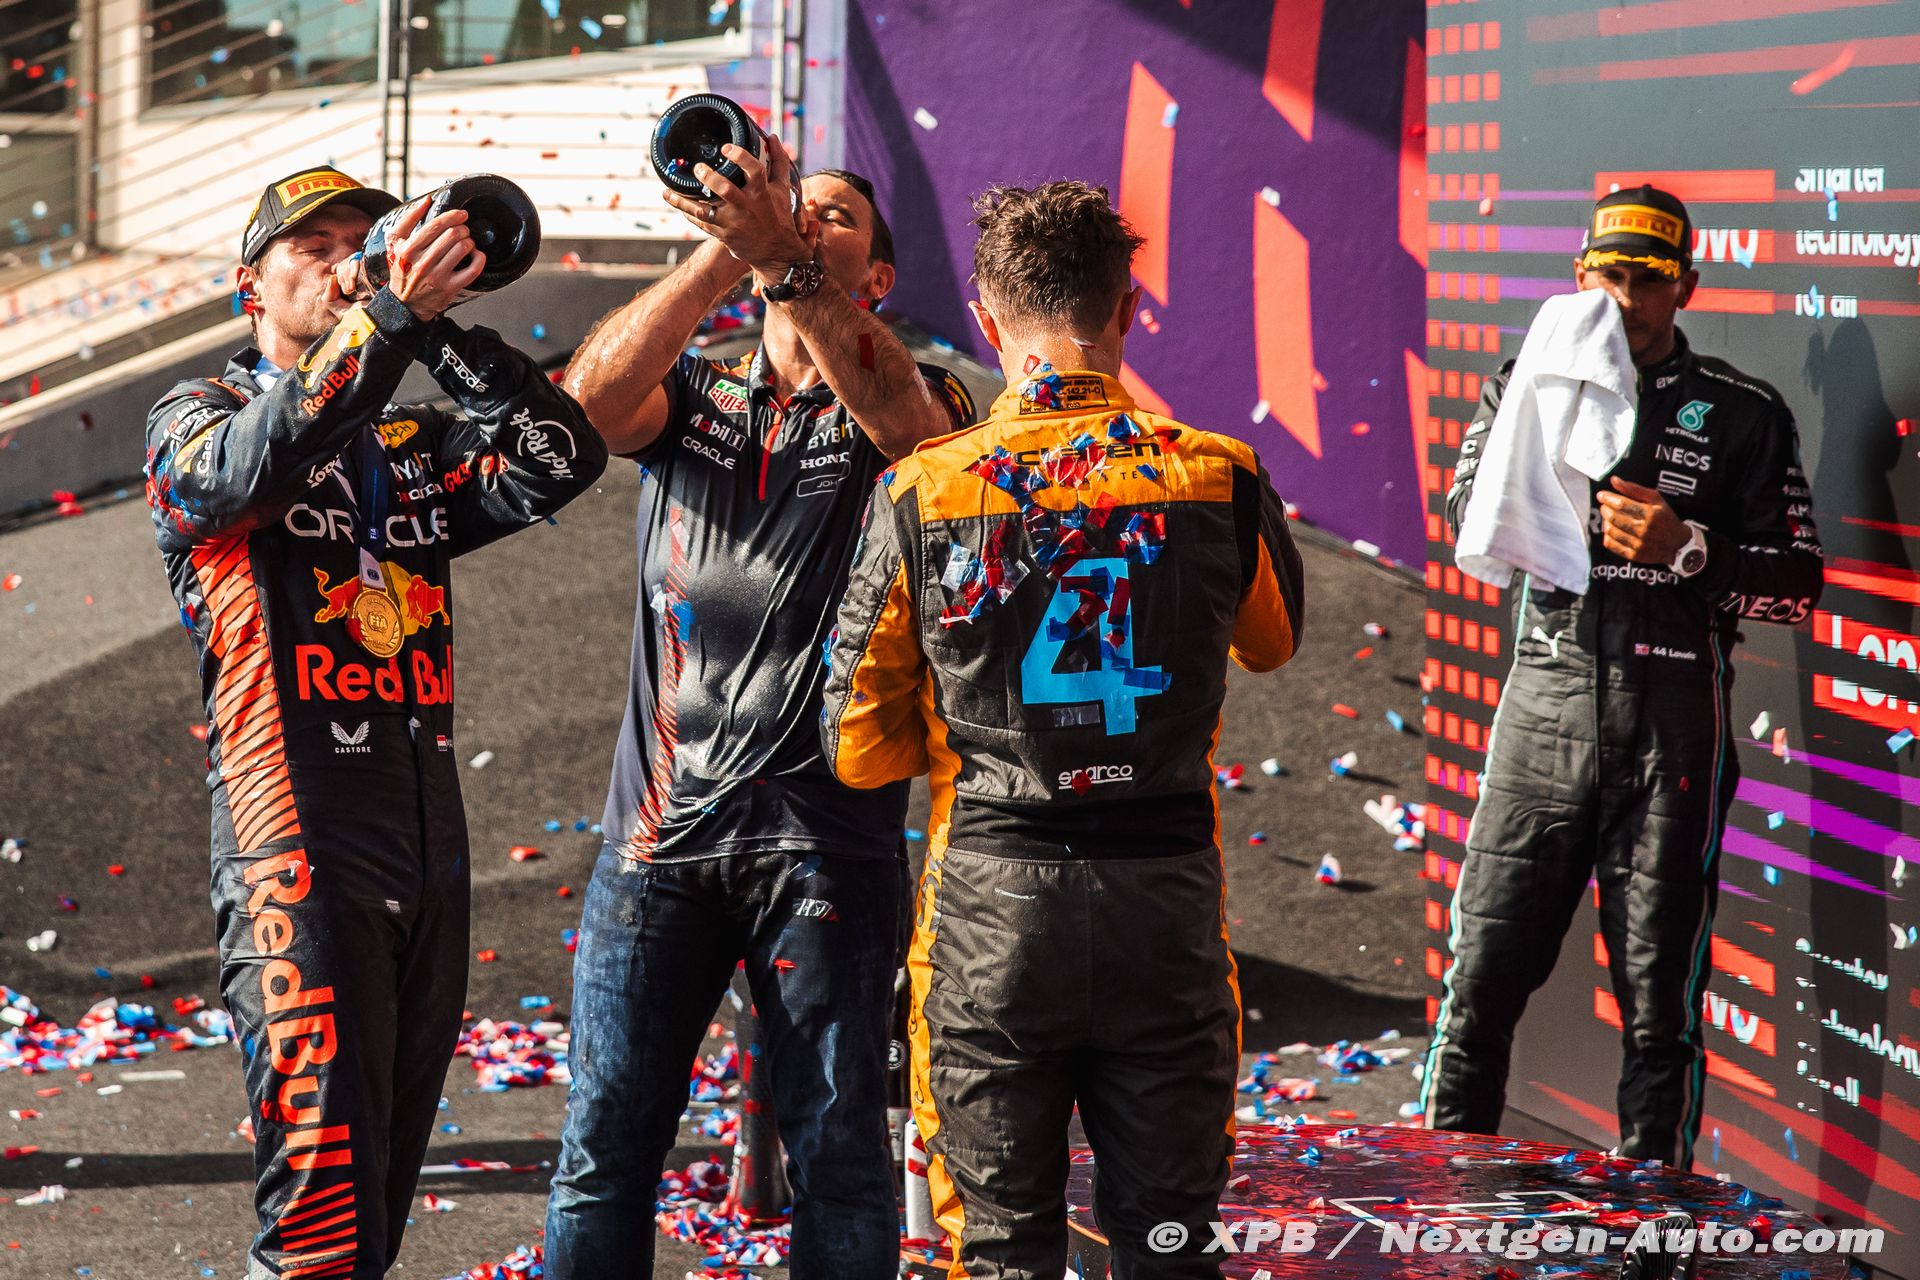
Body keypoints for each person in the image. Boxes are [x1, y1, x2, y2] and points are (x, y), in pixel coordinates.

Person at [823, 180, 1306, 1280]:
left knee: (999, 1249)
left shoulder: (925, 488)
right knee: (1172, 1240)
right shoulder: (1219, 473)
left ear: (986, 321)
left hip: (993, 909)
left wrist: (980, 722)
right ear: (1127, 308)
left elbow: (852, 744)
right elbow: (1272, 644)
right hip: (1165, 897)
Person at [143, 164, 606, 1277]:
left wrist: (438, 329)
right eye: (316, 248)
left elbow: (562, 459)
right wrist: (388, 315)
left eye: (363, 239)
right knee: (319, 1212)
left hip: (426, 834)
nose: (345, 260)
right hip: (293, 833)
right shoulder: (193, 416)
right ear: (249, 287)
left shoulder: (403, 447)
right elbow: (246, 472)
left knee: (380, 1198)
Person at [543, 135, 973, 1277]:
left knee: (840, 1157)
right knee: (603, 1151)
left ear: (879, 275)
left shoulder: (919, 386)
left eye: (835, 218)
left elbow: (915, 436)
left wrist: (785, 257)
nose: (805, 217)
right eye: (795, 204)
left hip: (826, 839)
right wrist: (723, 251)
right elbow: (587, 405)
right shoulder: (700, 388)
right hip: (657, 837)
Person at [1421, 185, 1823, 1167]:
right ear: (1579, 276)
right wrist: (1540, 479)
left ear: (1687, 286)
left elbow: (1799, 586)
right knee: (1476, 992)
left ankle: (1656, 1231)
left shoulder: (1743, 411)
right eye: (1610, 274)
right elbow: (1467, 516)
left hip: (1673, 735)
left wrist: (1690, 548)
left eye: (1650, 279)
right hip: (1543, 715)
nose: (1627, 298)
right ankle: (1433, 1216)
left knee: (1660, 1016)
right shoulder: (1527, 383)